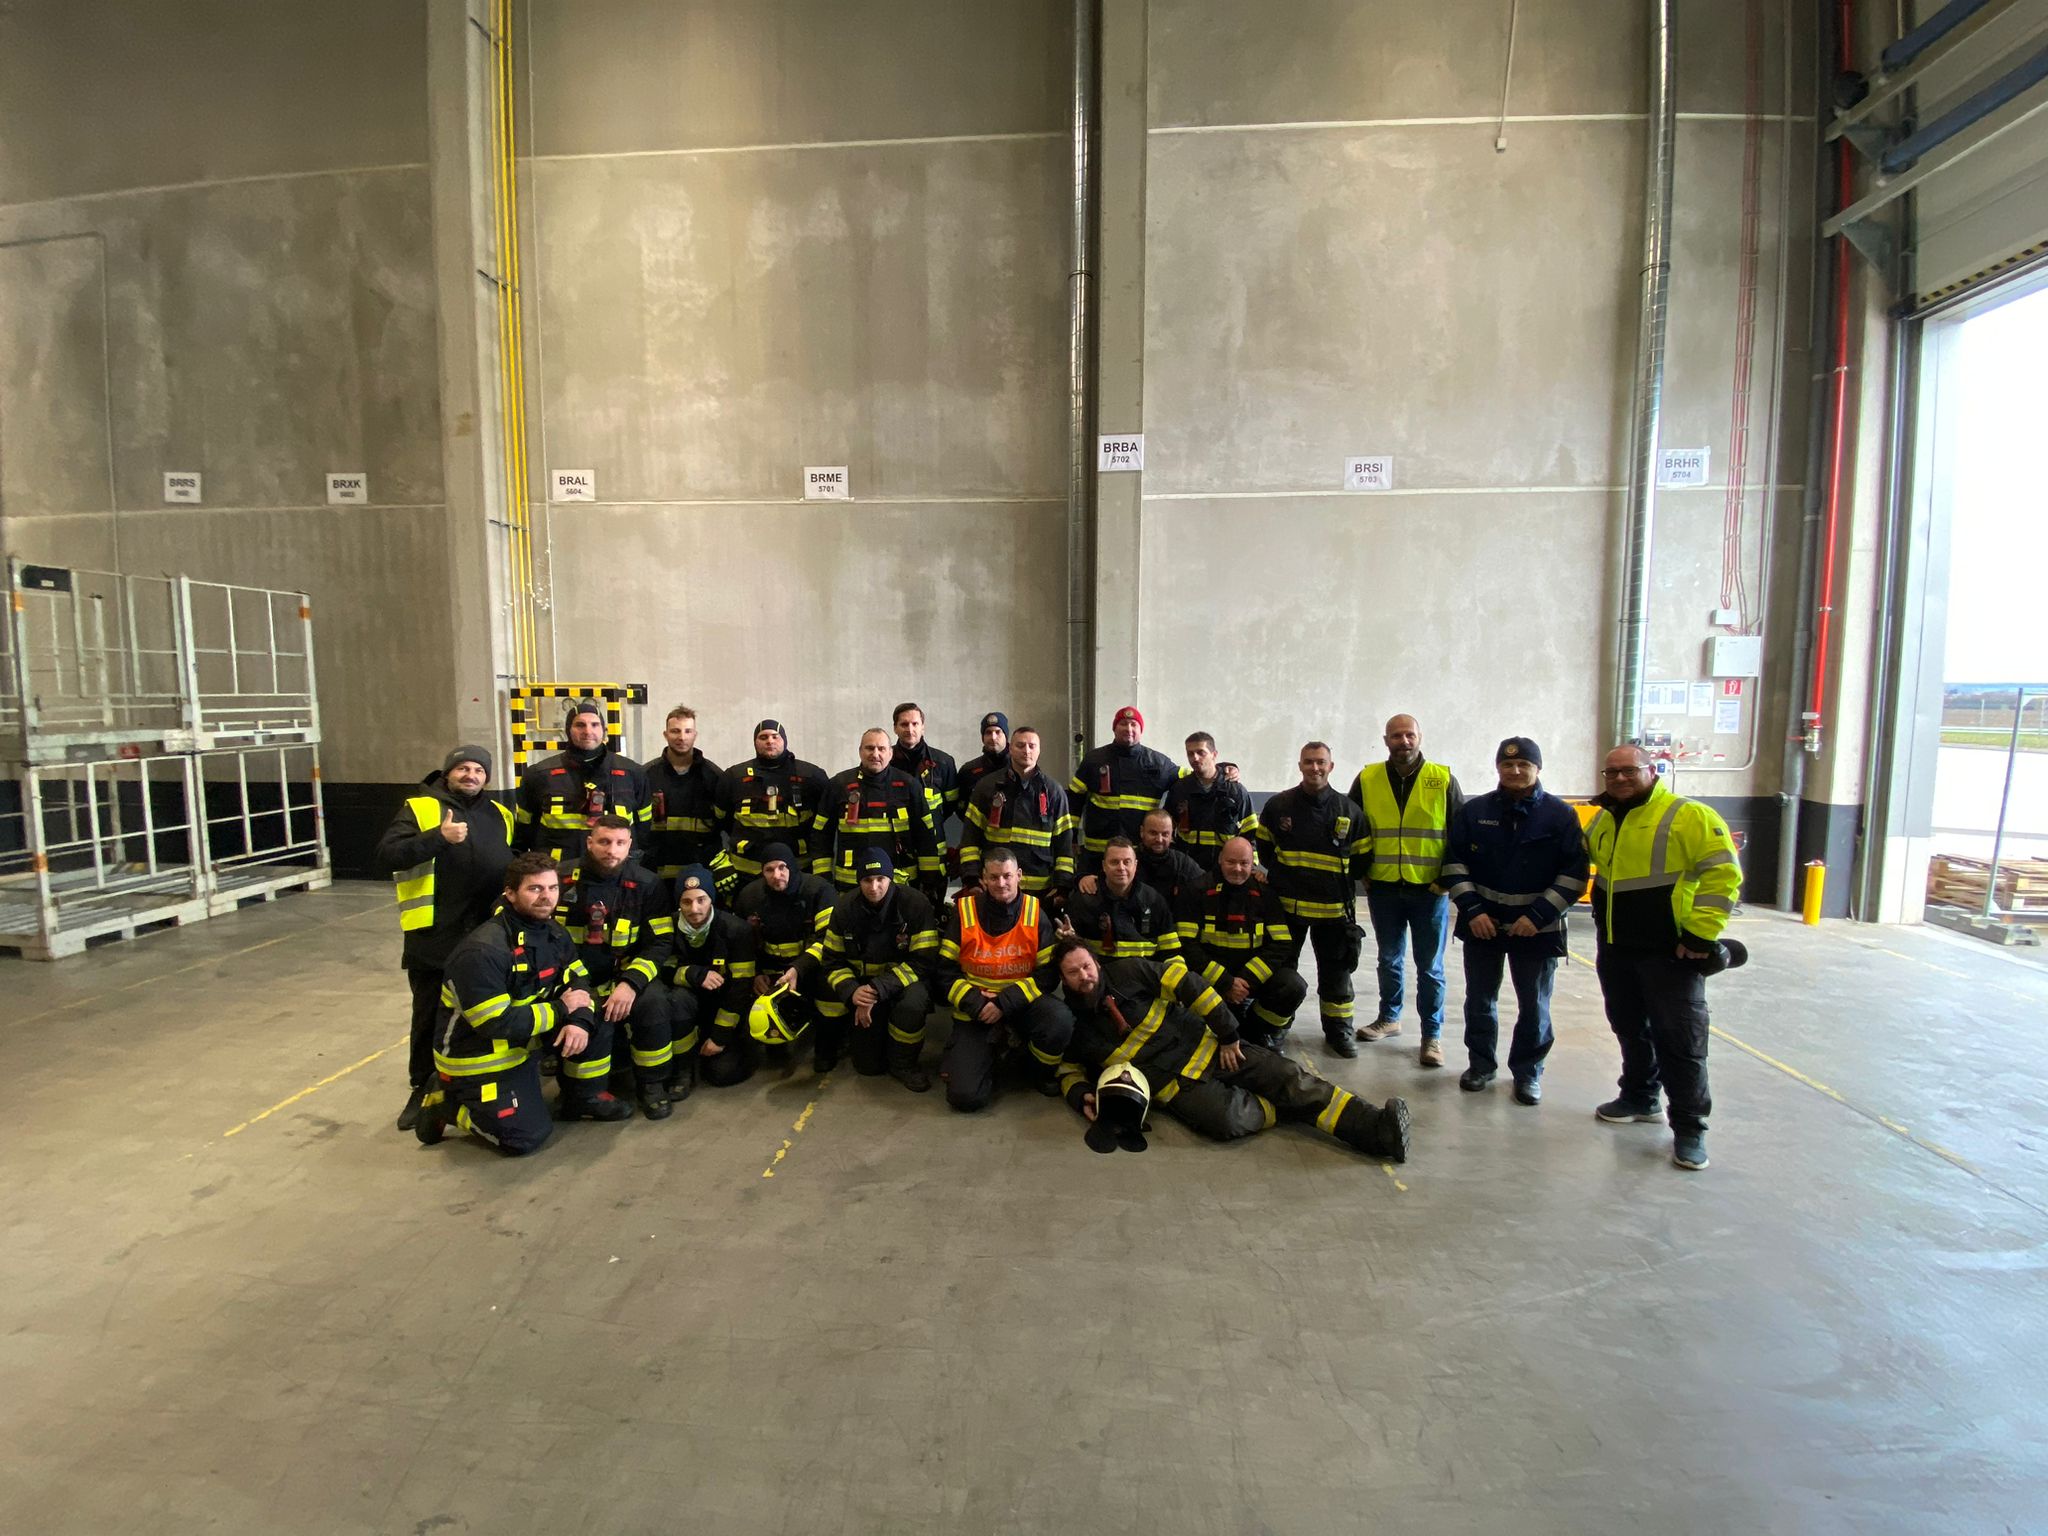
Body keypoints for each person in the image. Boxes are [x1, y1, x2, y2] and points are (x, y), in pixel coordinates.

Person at [1049, 941, 1411, 1160]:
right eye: (1073, 973)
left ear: (1097, 963)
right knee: (1228, 1121)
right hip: (1179, 1088)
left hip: (1212, 1048)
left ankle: (1376, 1128)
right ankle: (1289, 1108)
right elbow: (1068, 1070)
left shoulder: (1129, 972)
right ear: (1063, 981)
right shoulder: (1072, 1025)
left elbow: (1190, 985)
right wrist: (1082, 1096)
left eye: (1087, 966)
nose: (1085, 976)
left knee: (1288, 1077)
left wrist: (1228, 1034)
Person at [1585, 744, 1744, 1171]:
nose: (1619, 778)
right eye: (1611, 772)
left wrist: (1700, 935)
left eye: (1629, 770)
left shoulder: (1689, 816)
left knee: (1681, 1040)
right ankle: (1640, 1096)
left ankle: (1690, 1128)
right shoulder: (1603, 819)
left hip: (1671, 951)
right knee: (1629, 1027)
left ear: (1651, 770)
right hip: (1617, 946)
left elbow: (1724, 874)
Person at [414, 852, 634, 1152]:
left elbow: (579, 981)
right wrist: (562, 1009)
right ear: (510, 892)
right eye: (535, 888)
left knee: (596, 1016)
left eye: (552, 888)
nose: (547, 897)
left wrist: (578, 1020)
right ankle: (446, 1103)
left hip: (524, 1044)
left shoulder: (553, 932)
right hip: (481, 1060)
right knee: (524, 1138)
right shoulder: (482, 952)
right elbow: (496, 1023)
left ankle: (584, 1097)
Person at [372, 743, 515, 1132]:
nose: (471, 775)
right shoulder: (420, 808)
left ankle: (473, 1079)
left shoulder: (500, 813)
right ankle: (423, 1087)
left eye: (479, 770)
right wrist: (439, 837)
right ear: (448, 772)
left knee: (482, 1007)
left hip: (486, 933)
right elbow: (388, 855)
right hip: (435, 931)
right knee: (429, 1012)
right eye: (463, 768)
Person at [1439, 738, 1589, 1105]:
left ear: (1538, 769)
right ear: (1498, 768)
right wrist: (1473, 911)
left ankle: (1528, 1073)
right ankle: (1480, 1065)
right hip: (1483, 926)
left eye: (1524, 764)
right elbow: (1454, 864)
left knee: (1534, 1006)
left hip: (1536, 930)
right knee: (1479, 1000)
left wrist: (1537, 916)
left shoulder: (1560, 816)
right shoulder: (1475, 812)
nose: (1515, 770)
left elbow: (1574, 875)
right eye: (1508, 765)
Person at [1352, 714, 1466, 1069]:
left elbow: (1460, 834)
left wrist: (1445, 881)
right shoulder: (1368, 778)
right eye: (1396, 735)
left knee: (1429, 967)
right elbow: (1352, 827)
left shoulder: (1442, 779)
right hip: (1383, 887)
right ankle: (1389, 1018)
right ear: (1385, 739)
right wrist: (1362, 873)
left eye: (1409, 735)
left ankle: (1431, 1035)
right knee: (1389, 959)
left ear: (1420, 737)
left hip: (1428, 890)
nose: (1404, 741)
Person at [932, 847, 1072, 1111]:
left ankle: (1034, 1070)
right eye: (994, 877)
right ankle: (982, 1053)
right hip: (977, 1011)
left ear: (1019, 875)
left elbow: (1047, 975)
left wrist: (1004, 1003)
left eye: (1007, 876)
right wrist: (977, 1003)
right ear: (983, 879)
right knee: (965, 1098)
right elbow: (945, 972)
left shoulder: (1034, 911)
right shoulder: (964, 911)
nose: (1001, 883)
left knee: (1059, 1019)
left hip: (1020, 1005)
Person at [556, 815, 677, 1119]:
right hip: (572, 980)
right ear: (589, 842)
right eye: (604, 842)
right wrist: (575, 987)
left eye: (620, 843)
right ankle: (583, 1092)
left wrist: (631, 983)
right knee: (578, 1012)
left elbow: (660, 942)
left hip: (624, 975)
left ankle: (652, 1085)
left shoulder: (647, 884)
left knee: (654, 1003)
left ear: (630, 845)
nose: (612, 850)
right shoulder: (560, 878)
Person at [1255, 742, 1370, 1058]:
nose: (1315, 768)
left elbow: (1361, 859)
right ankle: (1275, 1027)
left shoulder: (1349, 811)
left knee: (1336, 975)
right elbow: (1265, 849)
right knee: (1282, 973)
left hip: (1334, 912)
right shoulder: (1279, 806)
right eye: (1309, 762)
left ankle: (1339, 1031)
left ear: (1331, 766)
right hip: (1287, 909)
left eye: (1321, 762)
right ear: (1300, 765)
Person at [803, 848, 940, 1092]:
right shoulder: (844, 908)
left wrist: (876, 989)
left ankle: (904, 1064)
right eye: (867, 880)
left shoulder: (915, 904)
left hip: (903, 983)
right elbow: (832, 960)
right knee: (868, 1067)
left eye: (880, 879)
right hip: (863, 989)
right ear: (859, 881)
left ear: (891, 878)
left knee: (913, 1004)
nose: (874, 887)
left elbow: (924, 962)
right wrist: (851, 992)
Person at [1176, 834, 1307, 1054]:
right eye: (1231, 862)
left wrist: (1246, 980)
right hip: (1212, 980)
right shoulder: (1195, 891)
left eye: (1244, 863)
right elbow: (1187, 946)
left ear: (1252, 863)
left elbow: (1281, 944)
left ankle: (1258, 1031)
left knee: (1293, 986)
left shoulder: (1265, 893)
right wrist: (1226, 982)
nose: (1237, 869)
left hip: (1250, 979)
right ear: (1220, 859)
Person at [733, 842, 842, 1069]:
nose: (777, 875)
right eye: (769, 870)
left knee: (829, 986)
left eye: (782, 867)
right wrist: (756, 974)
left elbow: (827, 940)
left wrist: (798, 969)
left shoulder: (819, 891)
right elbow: (742, 944)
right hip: (772, 971)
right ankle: (775, 1042)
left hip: (813, 966)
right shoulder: (749, 897)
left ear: (792, 867)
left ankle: (827, 1046)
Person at [515, 696, 653, 864]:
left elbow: (644, 829)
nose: (588, 731)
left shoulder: (632, 773)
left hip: (616, 870)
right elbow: (524, 831)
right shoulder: (540, 775)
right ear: (568, 730)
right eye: (580, 725)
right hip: (558, 871)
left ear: (604, 730)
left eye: (595, 725)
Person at [814, 728, 945, 900]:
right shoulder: (839, 785)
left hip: (901, 881)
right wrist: (822, 879)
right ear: (860, 751)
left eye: (881, 749)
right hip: (850, 884)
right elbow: (821, 835)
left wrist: (929, 880)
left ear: (890, 753)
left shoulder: (909, 785)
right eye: (869, 748)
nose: (875, 754)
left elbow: (925, 835)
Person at [665, 865, 759, 1091]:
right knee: (677, 999)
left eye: (701, 900)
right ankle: (684, 1065)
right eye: (686, 902)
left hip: (725, 1007)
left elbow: (740, 988)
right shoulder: (667, 927)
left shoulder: (737, 930)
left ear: (712, 900)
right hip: (688, 1005)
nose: (694, 909)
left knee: (723, 1073)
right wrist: (693, 974)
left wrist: (720, 1036)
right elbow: (659, 970)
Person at [958, 725, 1076, 899]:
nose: (1026, 751)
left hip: (1040, 891)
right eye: (1020, 745)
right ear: (1010, 749)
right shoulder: (987, 787)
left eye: (1032, 746)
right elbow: (970, 838)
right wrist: (972, 878)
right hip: (996, 888)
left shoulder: (1054, 792)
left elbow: (1064, 845)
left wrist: (1062, 886)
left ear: (1039, 750)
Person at [716, 719, 830, 884]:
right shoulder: (734, 777)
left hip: (797, 871)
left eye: (775, 736)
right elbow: (721, 822)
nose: (770, 741)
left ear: (784, 740)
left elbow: (824, 827)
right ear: (755, 742)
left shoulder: (811, 776)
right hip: (746, 873)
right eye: (763, 737)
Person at [1069, 705, 1180, 872]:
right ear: (1114, 728)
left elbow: (1190, 776)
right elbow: (1074, 801)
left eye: (1134, 724)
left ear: (1141, 730)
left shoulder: (1158, 763)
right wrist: (1071, 837)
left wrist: (1221, 769)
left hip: (1139, 855)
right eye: (1123, 724)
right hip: (1097, 853)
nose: (1128, 729)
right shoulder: (1093, 760)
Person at [643, 704, 732, 895]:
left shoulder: (714, 776)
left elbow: (726, 824)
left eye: (687, 731)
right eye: (675, 731)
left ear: (695, 735)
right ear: (665, 734)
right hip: (656, 871)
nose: (682, 737)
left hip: (701, 871)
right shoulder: (646, 775)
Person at [1062, 836, 1181, 961]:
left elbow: (1171, 954)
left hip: (1144, 972)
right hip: (1100, 972)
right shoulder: (1083, 901)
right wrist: (1067, 939)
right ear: (1104, 866)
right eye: (1114, 862)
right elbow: (1070, 956)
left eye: (1127, 862)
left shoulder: (1154, 900)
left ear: (1135, 865)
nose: (1121, 868)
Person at [1160, 731, 1257, 871]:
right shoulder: (1180, 790)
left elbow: (1251, 833)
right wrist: (1174, 863)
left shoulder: (1236, 792)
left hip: (1225, 872)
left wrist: (1250, 869)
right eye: (1190, 754)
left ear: (1214, 754)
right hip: (1187, 871)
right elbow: (1166, 830)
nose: (1195, 758)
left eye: (1201, 752)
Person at [891, 701, 960, 831]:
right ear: (895, 728)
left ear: (922, 727)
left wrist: (934, 818)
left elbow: (951, 804)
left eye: (915, 724)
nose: (910, 730)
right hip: (897, 837)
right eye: (904, 724)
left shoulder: (944, 762)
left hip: (933, 837)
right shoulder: (885, 762)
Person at [1133, 807, 1207, 909]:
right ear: (1142, 832)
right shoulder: (1128, 861)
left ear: (1171, 834)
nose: (1159, 839)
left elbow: (1206, 885)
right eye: (1153, 833)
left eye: (1165, 834)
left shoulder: (1182, 863)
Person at [954, 710, 1011, 809]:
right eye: (988, 733)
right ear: (982, 738)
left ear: (1006, 736)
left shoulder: (1019, 768)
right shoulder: (968, 771)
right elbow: (961, 807)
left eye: (998, 732)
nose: (993, 737)